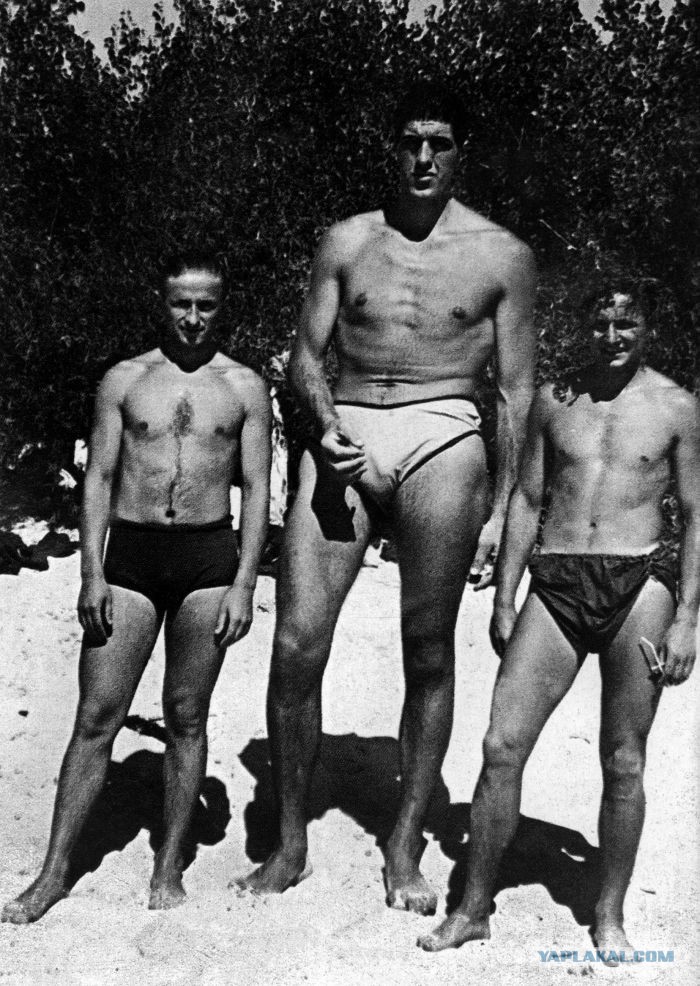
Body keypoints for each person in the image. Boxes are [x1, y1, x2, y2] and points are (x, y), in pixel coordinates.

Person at [236, 83, 536, 914]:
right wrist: (324, 422)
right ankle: (290, 842)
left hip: (445, 434)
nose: (423, 158)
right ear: (390, 148)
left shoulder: (503, 255)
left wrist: (503, 511)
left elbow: (515, 391)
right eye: (410, 141)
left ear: (461, 152)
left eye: (439, 142)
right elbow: (305, 355)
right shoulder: (347, 241)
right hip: (350, 425)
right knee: (296, 645)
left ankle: (405, 843)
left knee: (428, 650)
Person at [418, 275, 699, 955]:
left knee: (623, 760)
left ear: (648, 329)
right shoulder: (555, 400)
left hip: (639, 584)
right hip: (558, 580)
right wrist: (506, 594)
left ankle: (609, 915)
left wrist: (688, 616)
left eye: (626, 324)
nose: (613, 336)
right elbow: (526, 498)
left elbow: (696, 516)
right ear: (584, 326)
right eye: (601, 323)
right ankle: (473, 906)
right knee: (501, 745)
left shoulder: (677, 407)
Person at [2, 250, 272, 923]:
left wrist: (244, 582)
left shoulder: (244, 386)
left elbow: (258, 487)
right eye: (182, 303)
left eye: (206, 305)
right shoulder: (124, 379)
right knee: (97, 716)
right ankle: (53, 871)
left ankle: (168, 863)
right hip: (131, 557)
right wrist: (90, 572)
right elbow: (97, 477)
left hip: (208, 558)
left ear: (222, 307)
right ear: (162, 302)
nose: (193, 317)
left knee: (186, 714)